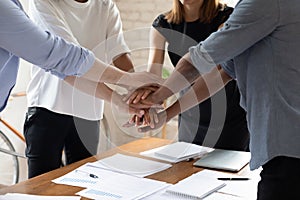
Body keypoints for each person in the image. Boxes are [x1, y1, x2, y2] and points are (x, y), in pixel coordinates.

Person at [133, 0, 300, 199]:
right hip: (280, 146)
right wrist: (166, 114)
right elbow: (222, 71)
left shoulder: (261, 4)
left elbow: (197, 61)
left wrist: (156, 97)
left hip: (287, 146)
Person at [23, 0, 135, 178]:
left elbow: (119, 52)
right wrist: (125, 89)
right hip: (48, 106)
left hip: (88, 111)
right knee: (41, 185)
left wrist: (136, 92)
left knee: (83, 184)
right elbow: (70, 56)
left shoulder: (106, 6)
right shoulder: (43, 2)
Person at [131, 0, 249, 151]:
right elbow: (153, 75)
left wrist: (164, 109)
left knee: (227, 170)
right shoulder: (162, 25)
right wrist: (145, 105)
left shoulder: (227, 18)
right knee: (187, 169)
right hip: (189, 114)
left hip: (229, 115)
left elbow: (217, 71)